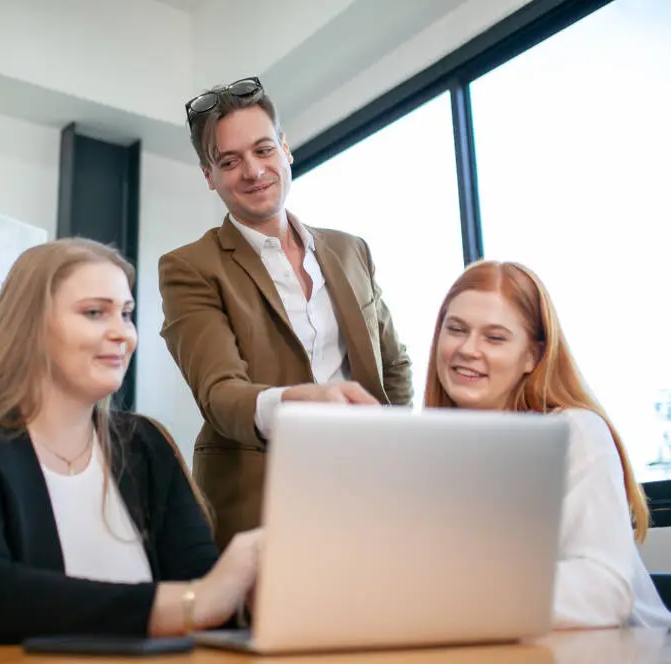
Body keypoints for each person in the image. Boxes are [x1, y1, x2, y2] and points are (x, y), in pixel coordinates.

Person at [0, 238, 260, 645]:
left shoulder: (146, 446)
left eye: (125, 314)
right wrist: (193, 603)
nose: (122, 333)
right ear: (29, 327)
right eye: (94, 313)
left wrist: (248, 594)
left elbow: (207, 594)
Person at [159, 76, 412, 550]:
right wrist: (300, 402)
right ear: (209, 175)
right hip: (261, 502)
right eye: (229, 161)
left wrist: (399, 454)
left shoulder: (350, 249)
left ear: (285, 148)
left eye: (263, 150)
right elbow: (220, 395)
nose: (252, 172)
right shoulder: (189, 267)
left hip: (369, 490)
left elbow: (393, 365)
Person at [424, 259, 671, 630]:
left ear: (533, 356)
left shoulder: (574, 431)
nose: (468, 349)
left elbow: (604, 592)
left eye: (495, 338)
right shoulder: (428, 453)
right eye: (456, 329)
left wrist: (455, 594)